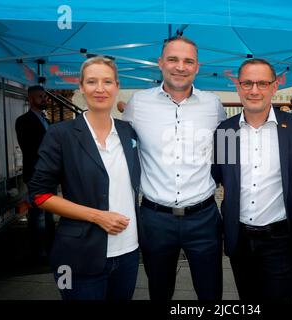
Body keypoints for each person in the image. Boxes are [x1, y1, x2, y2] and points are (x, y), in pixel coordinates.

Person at [28, 56, 141, 300]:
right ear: (81, 87)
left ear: (117, 87)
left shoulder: (128, 132)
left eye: (107, 81)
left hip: (129, 253)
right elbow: (39, 194)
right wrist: (98, 216)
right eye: (92, 82)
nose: (100, 88)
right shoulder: (61, 134)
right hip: (79, 255)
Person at [123, 36, 226, 301]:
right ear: (160, 63)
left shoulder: (213, 105)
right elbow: (125, 152)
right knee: (159, 290)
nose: (180, 66)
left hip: (203, 218)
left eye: (188, 61)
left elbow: (226, 154)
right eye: (173, 59)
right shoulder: (138, 103)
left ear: (197, 67)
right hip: (155, 219)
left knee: (210, 292)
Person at [212, 59, 292, 301]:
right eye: (247, 83)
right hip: (240, 238)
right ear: (238, 86)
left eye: (262, 83)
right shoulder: (226, 130)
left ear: (274, 87)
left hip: (280, 239)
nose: (254, 90)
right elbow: (222, 176)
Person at [15, 85, 55, 264]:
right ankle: (38, 254)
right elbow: (30, 149)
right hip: (36, 175)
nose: (44, 99)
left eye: (45, 96)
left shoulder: (46, 120)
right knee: (38, 216)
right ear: (30, 99)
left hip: (50, 175)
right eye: (40, 97)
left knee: (49, 215)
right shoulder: (23, 121)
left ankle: (50, 249)